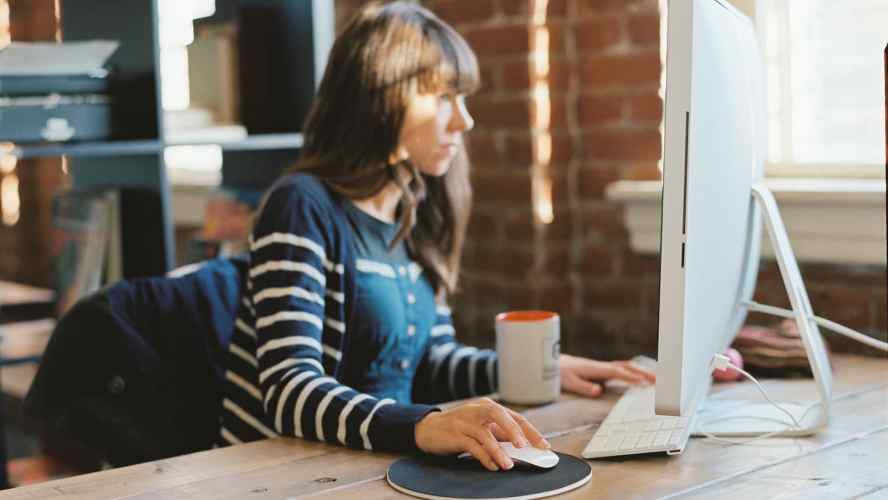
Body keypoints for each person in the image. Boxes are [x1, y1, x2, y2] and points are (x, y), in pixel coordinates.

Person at [218, 1, 655, 472]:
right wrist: (423, 426)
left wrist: (538, 369)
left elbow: (428, 361)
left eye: (462, 98)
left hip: (372, 463)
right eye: (443, 96)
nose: (463, 121)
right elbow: (289, 389)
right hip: (285, 475)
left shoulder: (416, 208)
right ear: (378, 96)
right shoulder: (302, 205)